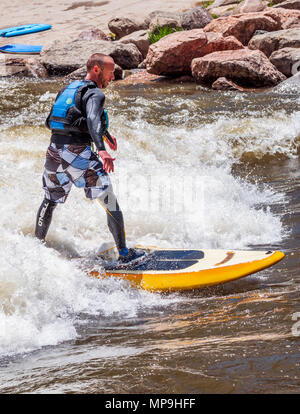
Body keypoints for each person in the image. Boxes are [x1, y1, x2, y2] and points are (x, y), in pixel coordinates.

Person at [35, 53, 143, 263]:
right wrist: (101, 149)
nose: (112, 78)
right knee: (109, 199)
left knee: (50, 199)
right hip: (76, 152)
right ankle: (124, 254)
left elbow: (52, 122)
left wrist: (104, 134)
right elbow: (93, 118)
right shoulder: (95, 94)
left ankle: (35, 248)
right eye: (110, 73)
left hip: (54, 151)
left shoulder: (68, 89)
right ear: (96, 69)